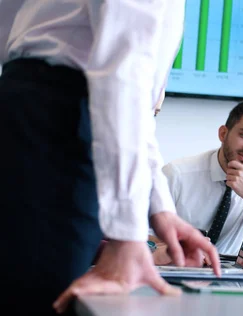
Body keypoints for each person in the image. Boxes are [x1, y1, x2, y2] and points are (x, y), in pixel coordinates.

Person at [0, 1, 220, 315]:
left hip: (35, 114)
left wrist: (159, 208)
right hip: (62, 125)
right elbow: (121, 71)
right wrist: (128, 238)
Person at [151, 100, 243, 264]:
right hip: (178, 269)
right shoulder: (177, 174)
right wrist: (181, 247)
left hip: (231, 278)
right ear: (223, 134)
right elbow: (142, 236)